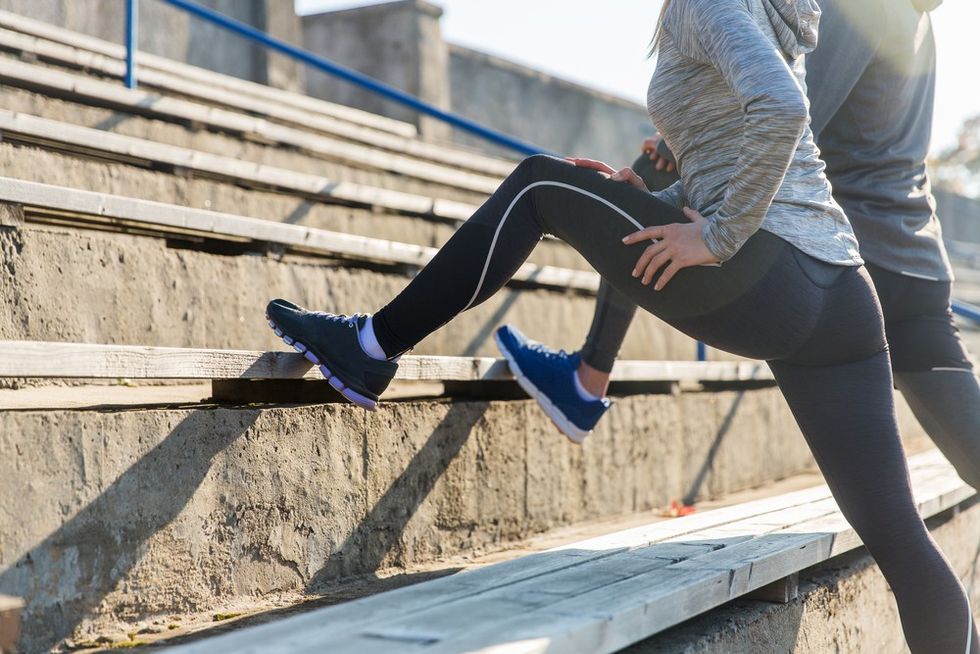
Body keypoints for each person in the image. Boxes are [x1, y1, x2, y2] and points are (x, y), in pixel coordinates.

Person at [265, 0, 976, 649]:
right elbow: (737, 140)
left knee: (539, 184)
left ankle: (368, 347)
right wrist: (655, 196)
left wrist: (718, 236)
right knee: (900, 540)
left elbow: (785, 111)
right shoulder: (774, 10)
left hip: (772, 270)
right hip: (842, 294)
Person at [502, 0, 980, 499]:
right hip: (917, 266)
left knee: (650, 179)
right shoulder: (917, 16)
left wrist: (678, 146)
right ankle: (588, 378)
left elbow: (794, 109)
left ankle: (589, 378)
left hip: (842, 259)